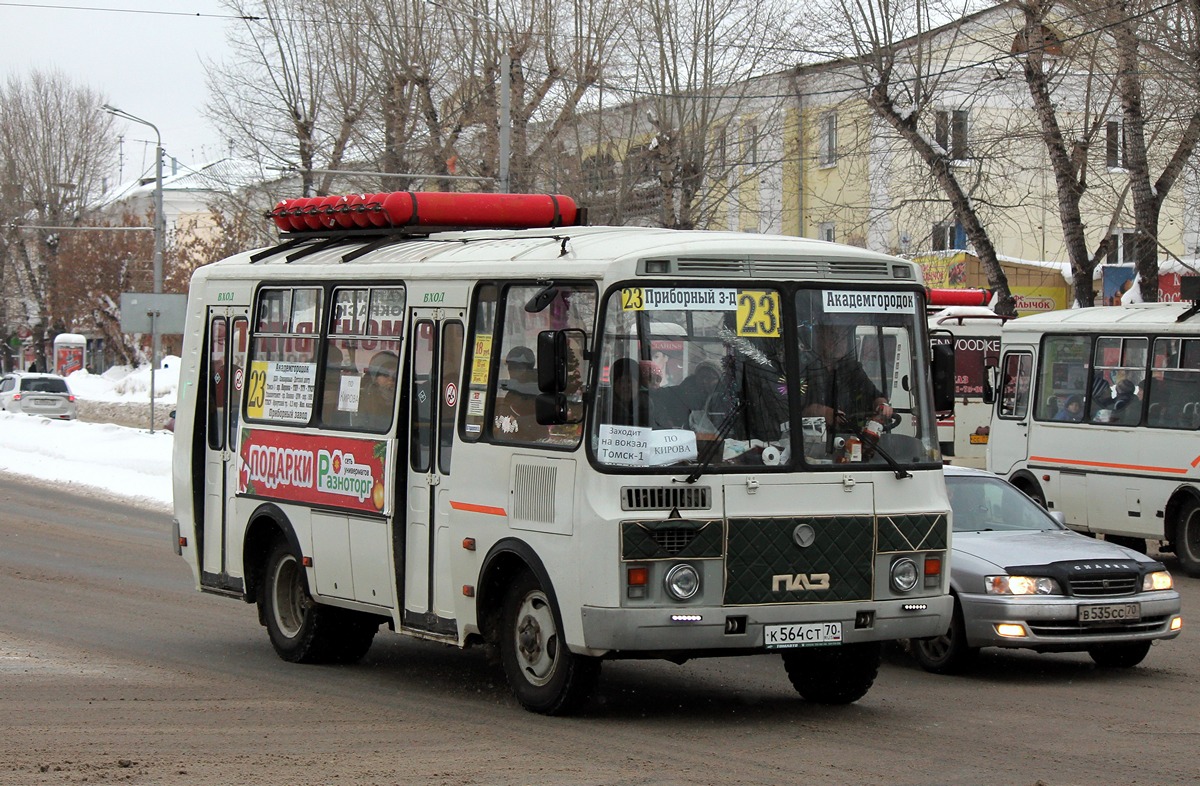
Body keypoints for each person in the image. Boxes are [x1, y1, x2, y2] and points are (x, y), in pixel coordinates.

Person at [799, 324, 892, 431]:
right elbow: (795, 411)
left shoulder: (852, 369)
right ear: (820, 338)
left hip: (851, 435)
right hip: (813, 440)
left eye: (844, 337)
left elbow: (875, 395)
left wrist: (883, 406)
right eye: (834, 336)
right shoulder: (806, 369)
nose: (840, 342)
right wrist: (823, 412)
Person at [494, 346, 541, 437]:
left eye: (516, 367)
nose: (511, 371)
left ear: (528, 369)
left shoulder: (534, 391)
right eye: (510, 367)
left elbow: (531, 421)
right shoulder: (513, 391)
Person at [360, 350, 399, 430]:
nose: (391, 380)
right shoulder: (364, 397)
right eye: (385, 374)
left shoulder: (407, 397)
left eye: (395, 375)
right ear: (375, 378)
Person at [609, 357, 652, 426]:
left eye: (629, 381)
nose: (625, 386)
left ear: (638, 384)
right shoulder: (605, 406)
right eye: (621, 382)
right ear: (613, 385)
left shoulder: (648, 405)